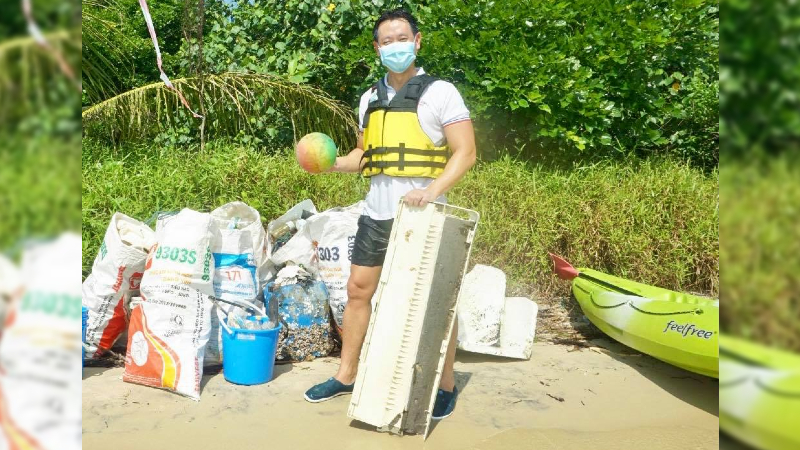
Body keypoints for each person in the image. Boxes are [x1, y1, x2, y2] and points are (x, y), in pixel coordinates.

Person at [303, 8, 476, 420]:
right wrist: (328, 163)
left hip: (424, 215)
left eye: (402, 38)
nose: (394, 46)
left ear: (416, 42)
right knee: (358, 291)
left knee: (436, 299)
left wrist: (431, 191)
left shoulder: (441, 92)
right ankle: (346, 376)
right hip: (377, 213)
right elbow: (365, 157)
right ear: (377, 48)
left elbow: (466, 152)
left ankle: (445, 384)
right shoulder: (369, 98)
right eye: (386, 41)